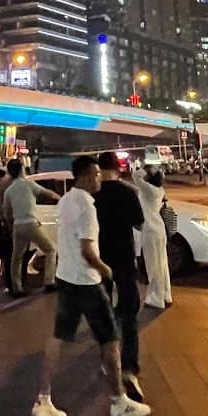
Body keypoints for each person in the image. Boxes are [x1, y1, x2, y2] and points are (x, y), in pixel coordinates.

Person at [32, 155, 151, 416]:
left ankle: (44, 398)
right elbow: (87, 250)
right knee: (110, 340)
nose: (100, 178)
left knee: (58, 336)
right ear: (86, 176)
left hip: (66, 277)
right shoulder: (87, 206)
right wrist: (103, 268)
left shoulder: (65, 200)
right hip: (87, 281)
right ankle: (119, 400)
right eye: (96, 174)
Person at [94, 152, 148, 402]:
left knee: (104, 315)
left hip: (99, 262)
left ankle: (107, 361)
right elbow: (139, 223)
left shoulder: (91, 195)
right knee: (129, 315)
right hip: (124, 262)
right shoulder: (128, 193)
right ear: (118, 168)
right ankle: (129, 368)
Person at [4, 159, 60, 294]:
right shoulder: (28, 184)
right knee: (51, 250)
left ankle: (17, 287)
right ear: (22, 169)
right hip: (31, 223)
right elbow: (47, 193)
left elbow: (7, 212)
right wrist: (61, 198)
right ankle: (49, 281)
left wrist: (12, 228)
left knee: (16, 258)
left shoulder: (9, 190)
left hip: (18, 225)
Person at [134, 166, 172, 310]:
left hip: (150, 230)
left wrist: (145, 167)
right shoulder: (159, 190)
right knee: (162, 264)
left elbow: (136, 177)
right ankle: (166, 295)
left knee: (153, 265)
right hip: (159, 229)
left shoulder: (148, 190)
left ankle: (156, 298)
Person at [0, 166, 15, 294]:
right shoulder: (2, 189)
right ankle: (9, 280)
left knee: (5, 250)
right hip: (4, 224)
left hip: (1, 224)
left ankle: (2, 271)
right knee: (8, 251)